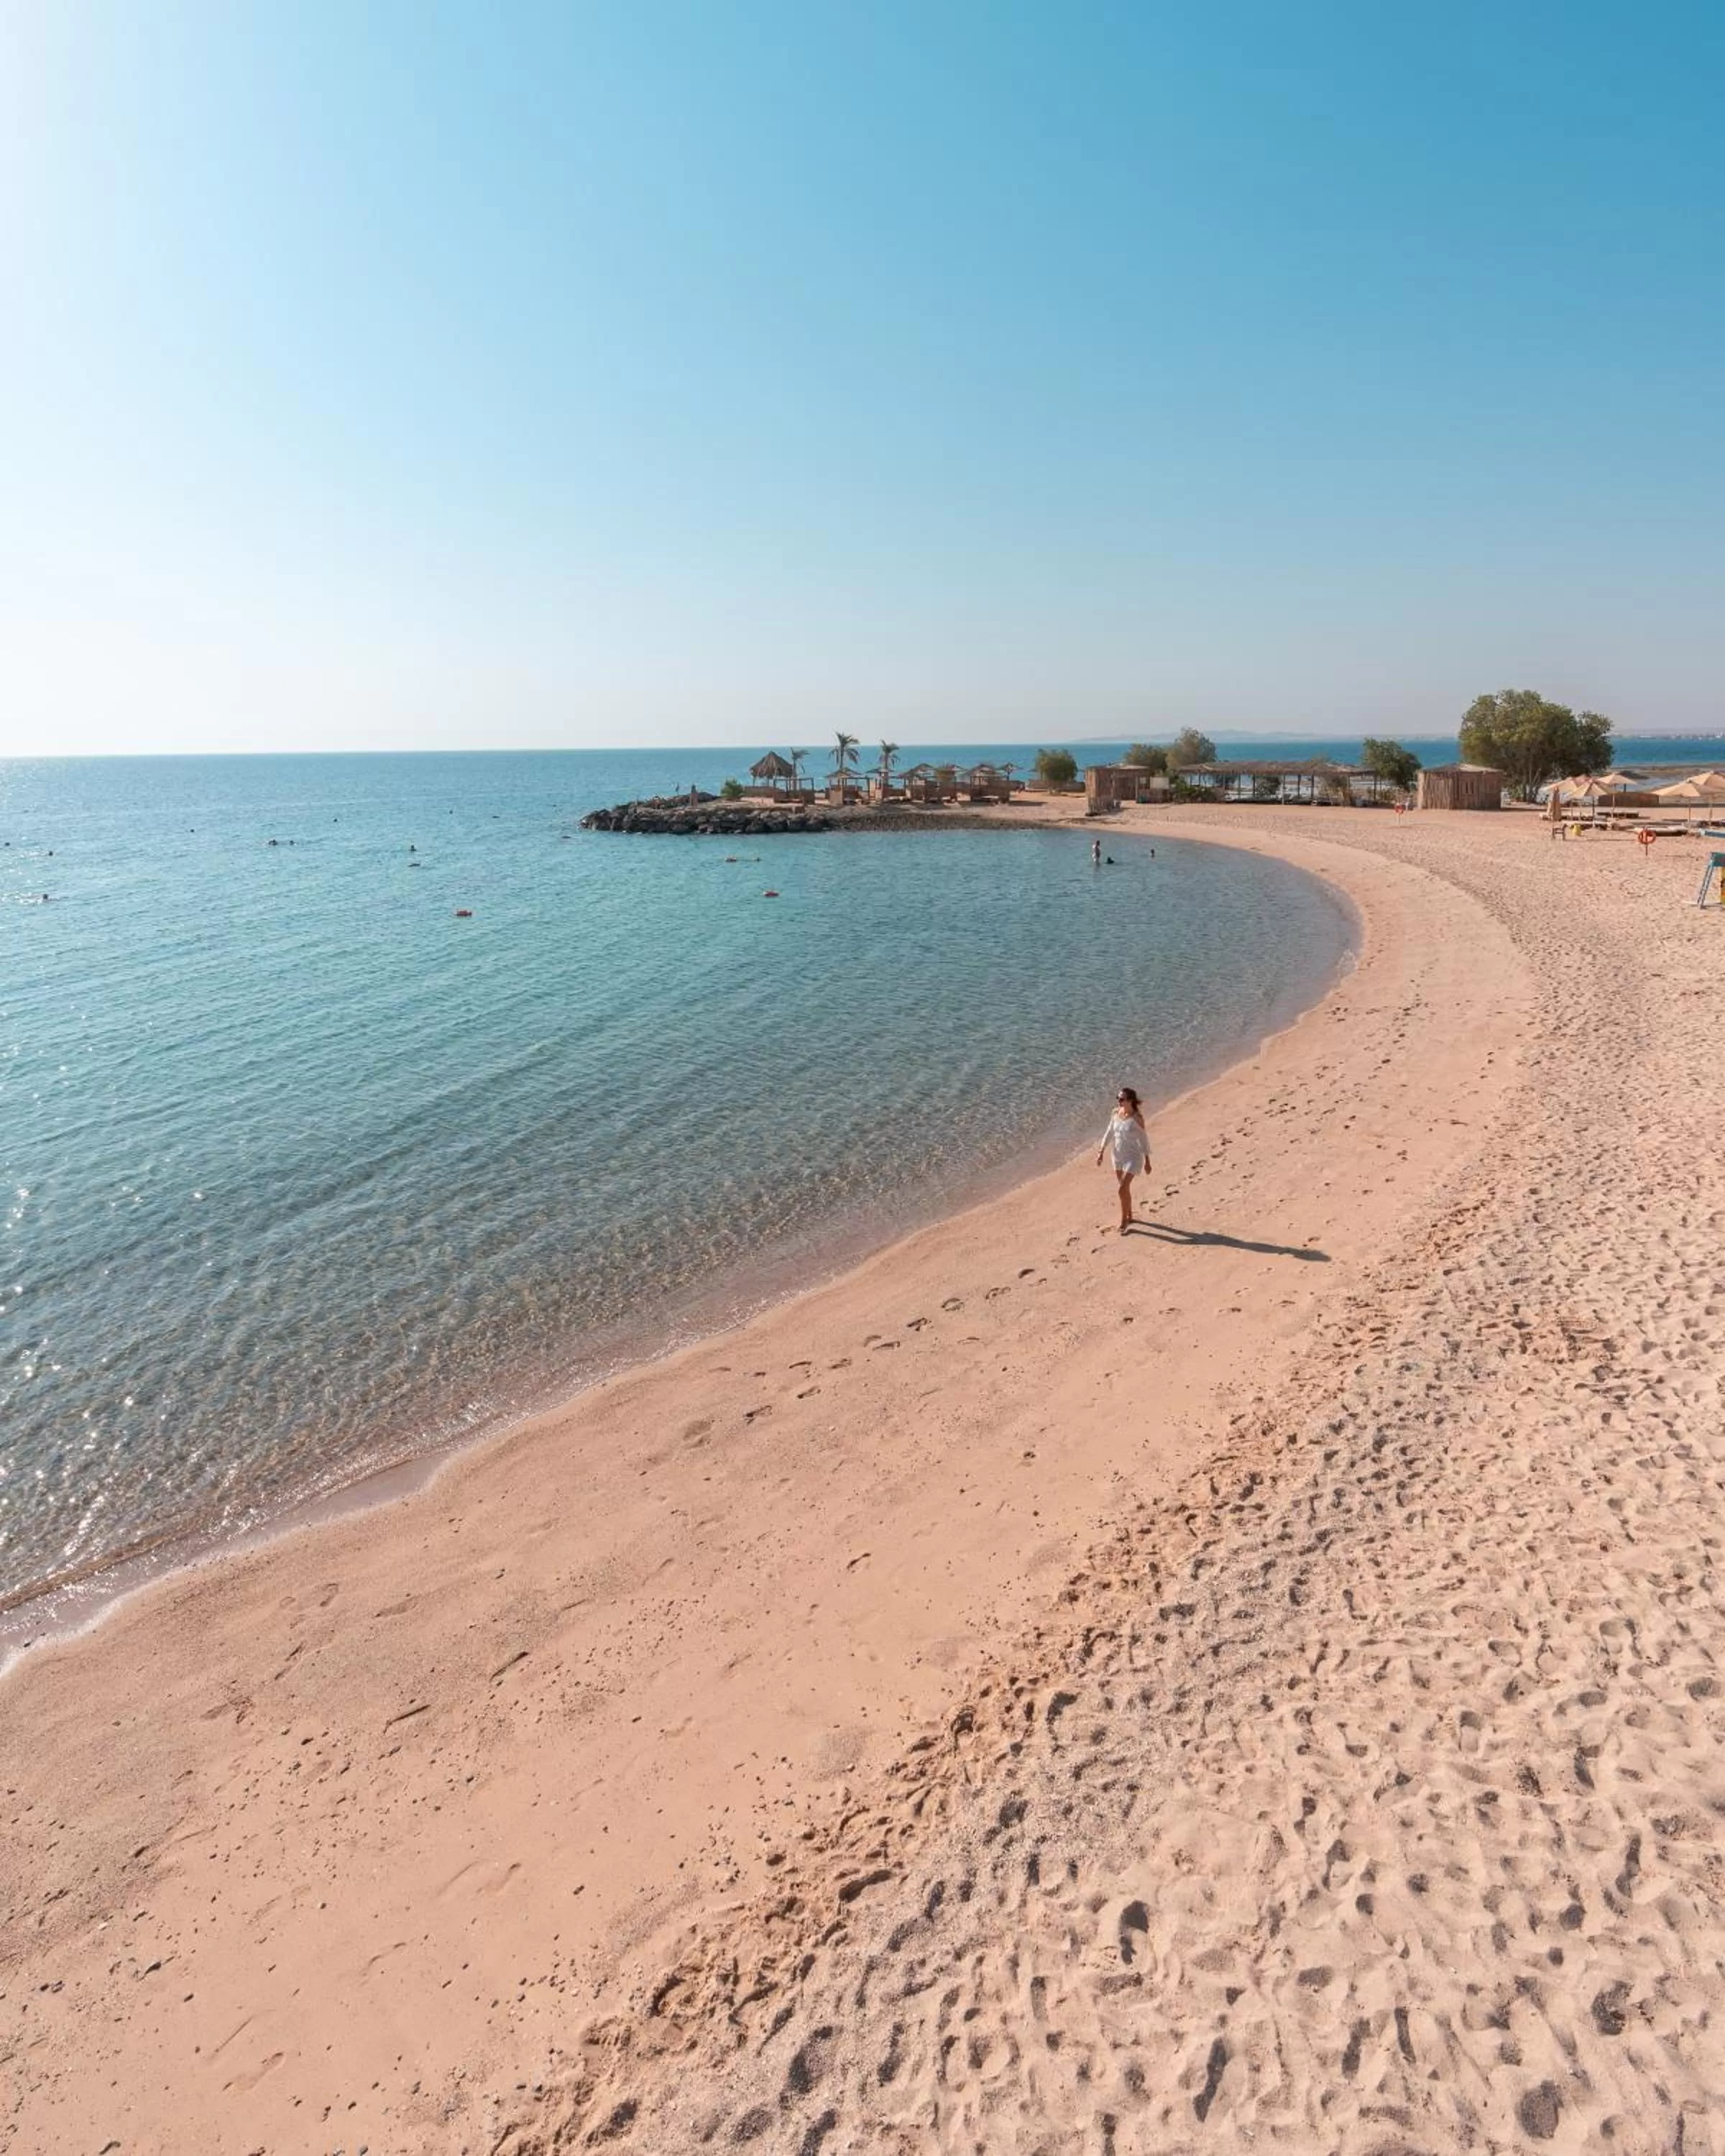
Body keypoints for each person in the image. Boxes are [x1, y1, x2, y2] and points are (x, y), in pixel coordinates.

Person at [1096, 1084, 1149, 1233]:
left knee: (1121, 1189)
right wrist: (1101, 1151)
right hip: (1117, 1156)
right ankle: (1130, 1215)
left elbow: (1144, 1140)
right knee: (1124, 1189)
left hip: (1133, 1157)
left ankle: (1124, 1221)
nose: (1119, 1101)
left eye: (1122, 1099)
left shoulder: (1137, 1118)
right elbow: (1109, 1132)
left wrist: (1147, 1160)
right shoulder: (1115, 1113)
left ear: (1130, 1101)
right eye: (1118, 1098)